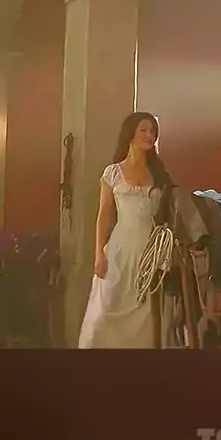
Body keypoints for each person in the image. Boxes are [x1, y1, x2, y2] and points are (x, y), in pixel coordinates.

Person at [79, 112, 172, 349]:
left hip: (149, 254)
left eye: (153, 131)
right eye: (144, 130)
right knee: (105, 313)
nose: (149, 135)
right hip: (119, 251)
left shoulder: (159, 175)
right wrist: (99, 254)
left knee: (147, 318)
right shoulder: (113, 173)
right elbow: (103, 216)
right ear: (130, 133)